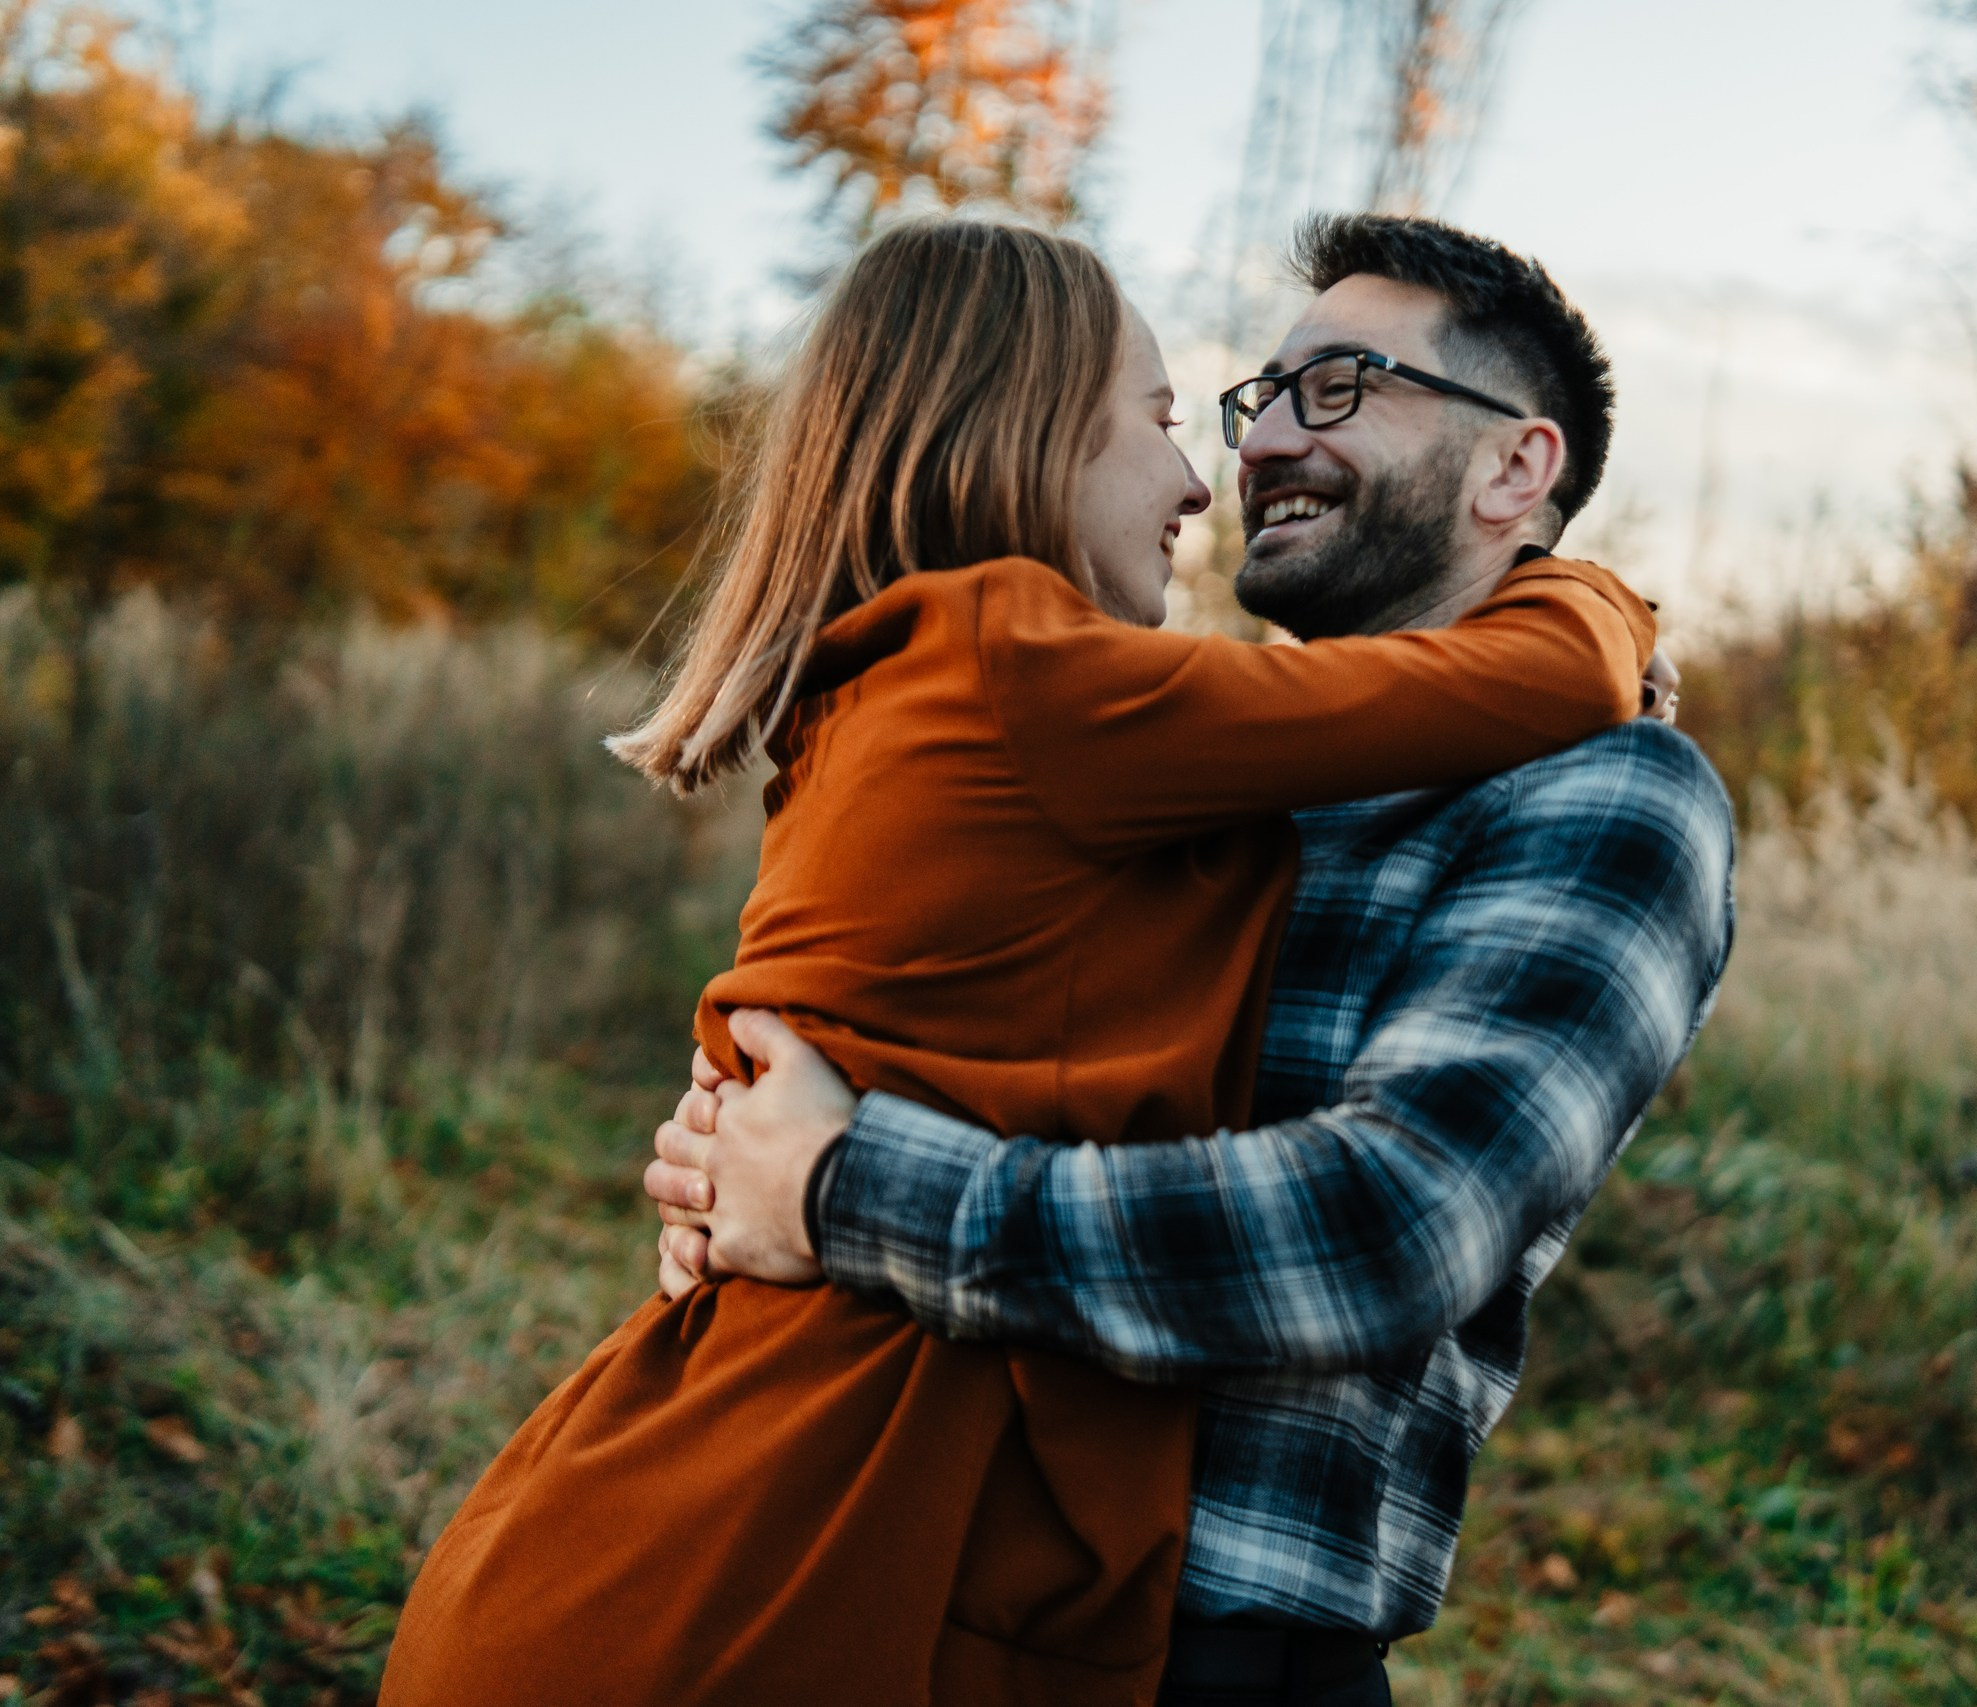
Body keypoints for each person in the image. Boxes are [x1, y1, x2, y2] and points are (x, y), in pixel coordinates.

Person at [382, 217, 1661, 1707]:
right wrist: (1607, 604)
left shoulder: (1562, 792)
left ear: (1520, 465)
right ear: (1031, 431)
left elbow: (1382, 1238)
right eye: (1192, 416)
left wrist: (833, 1181)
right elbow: (1552, 668)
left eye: (1337, 389)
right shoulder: (1037, 682)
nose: (1223, 467)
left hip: (1052, 1601)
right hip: (786, 1556)